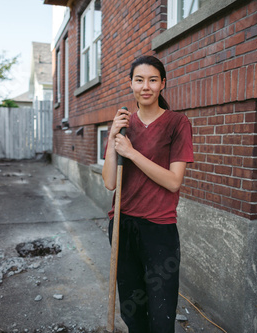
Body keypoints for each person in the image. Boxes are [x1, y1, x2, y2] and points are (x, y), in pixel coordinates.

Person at [102, 55, 194, 333]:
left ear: (162, 84)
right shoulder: (123, 125)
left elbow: (173, 182)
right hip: (122, 224)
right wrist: (112, 139)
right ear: (130, 83)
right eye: (139, 80)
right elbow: (109, 182)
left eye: (153, 80)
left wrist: (131, 152)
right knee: (133, 311)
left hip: (159, 231)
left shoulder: (177, 123)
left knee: (161, 313)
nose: (146, 86)